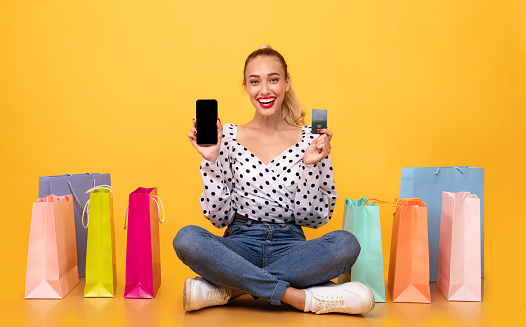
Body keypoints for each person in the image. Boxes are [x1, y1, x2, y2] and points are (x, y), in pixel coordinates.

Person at [173, 45, 375, 315]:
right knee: (187, 239)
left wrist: (310, 166)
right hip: (238, 244)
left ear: (287, 83)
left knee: (346, 244)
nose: (264, 90)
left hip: (291, 247)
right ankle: (298, 298)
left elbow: (313, 219)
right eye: (255, 81)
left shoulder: (311, 139)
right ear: (245, 86)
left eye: (273, 79)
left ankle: (232, 288)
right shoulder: (228, 137)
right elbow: (218, 218)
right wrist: (211, 160)